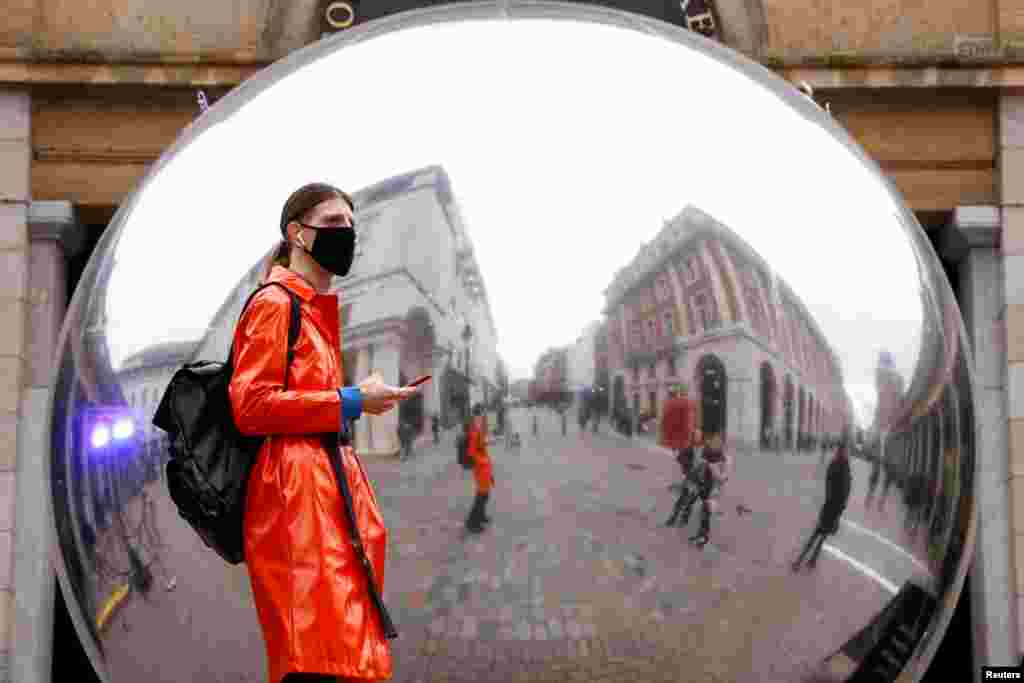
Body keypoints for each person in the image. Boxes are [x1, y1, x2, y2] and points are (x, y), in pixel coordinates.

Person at [229, 182, 419, 683]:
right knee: (316, 653)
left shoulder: (312, 310)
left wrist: (357, 397)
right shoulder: (275, 303)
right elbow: (251, 405)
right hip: (296, 499)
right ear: (297, 233)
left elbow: (304, 401)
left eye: (352, 225)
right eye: (334, 223)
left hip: (323, 488)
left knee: (338, 645)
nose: (348, 234)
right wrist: (353, 400)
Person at [793, 441, 852, 571]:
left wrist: (837, 504)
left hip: (833, 507)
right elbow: (841, 488)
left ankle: (805, 559)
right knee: (819, 534)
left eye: (842, 451)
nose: (842, 453)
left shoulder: (838, 465)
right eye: (842, 450)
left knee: (819, 534)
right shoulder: (841, 466)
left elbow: (835, 486)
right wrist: (839, 505)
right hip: (833, 508)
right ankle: (804, 559)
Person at [660, 384, 699, 527]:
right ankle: (680, 516)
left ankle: (678, 516)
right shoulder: (683, 408)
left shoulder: (683, 409)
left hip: (689, 456)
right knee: (688, 489)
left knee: (689, 489)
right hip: (687, 455)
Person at [689, 432, 731, 547]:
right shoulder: (708, 451)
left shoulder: (722, 456)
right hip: (705, 485)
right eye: (714, 440)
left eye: (719, 441)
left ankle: (703, 537)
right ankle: (701, 534)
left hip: (713, 488)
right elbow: (700, 466)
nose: (716, 442)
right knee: (703, 512)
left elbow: (723, 476)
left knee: (705, 511)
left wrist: (715, 471)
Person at [465, 403, 495, 533]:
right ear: (478, 414)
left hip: (484, 466)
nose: (484, 416)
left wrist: (486, 443)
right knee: (482, 495)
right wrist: (483, 461)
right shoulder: (473, 430)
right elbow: (471, 452)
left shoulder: (478, 428)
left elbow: (480, 446)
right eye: (482, 413)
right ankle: (472, 523)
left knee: (485, 494)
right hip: (480, 468)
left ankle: (481, 516)